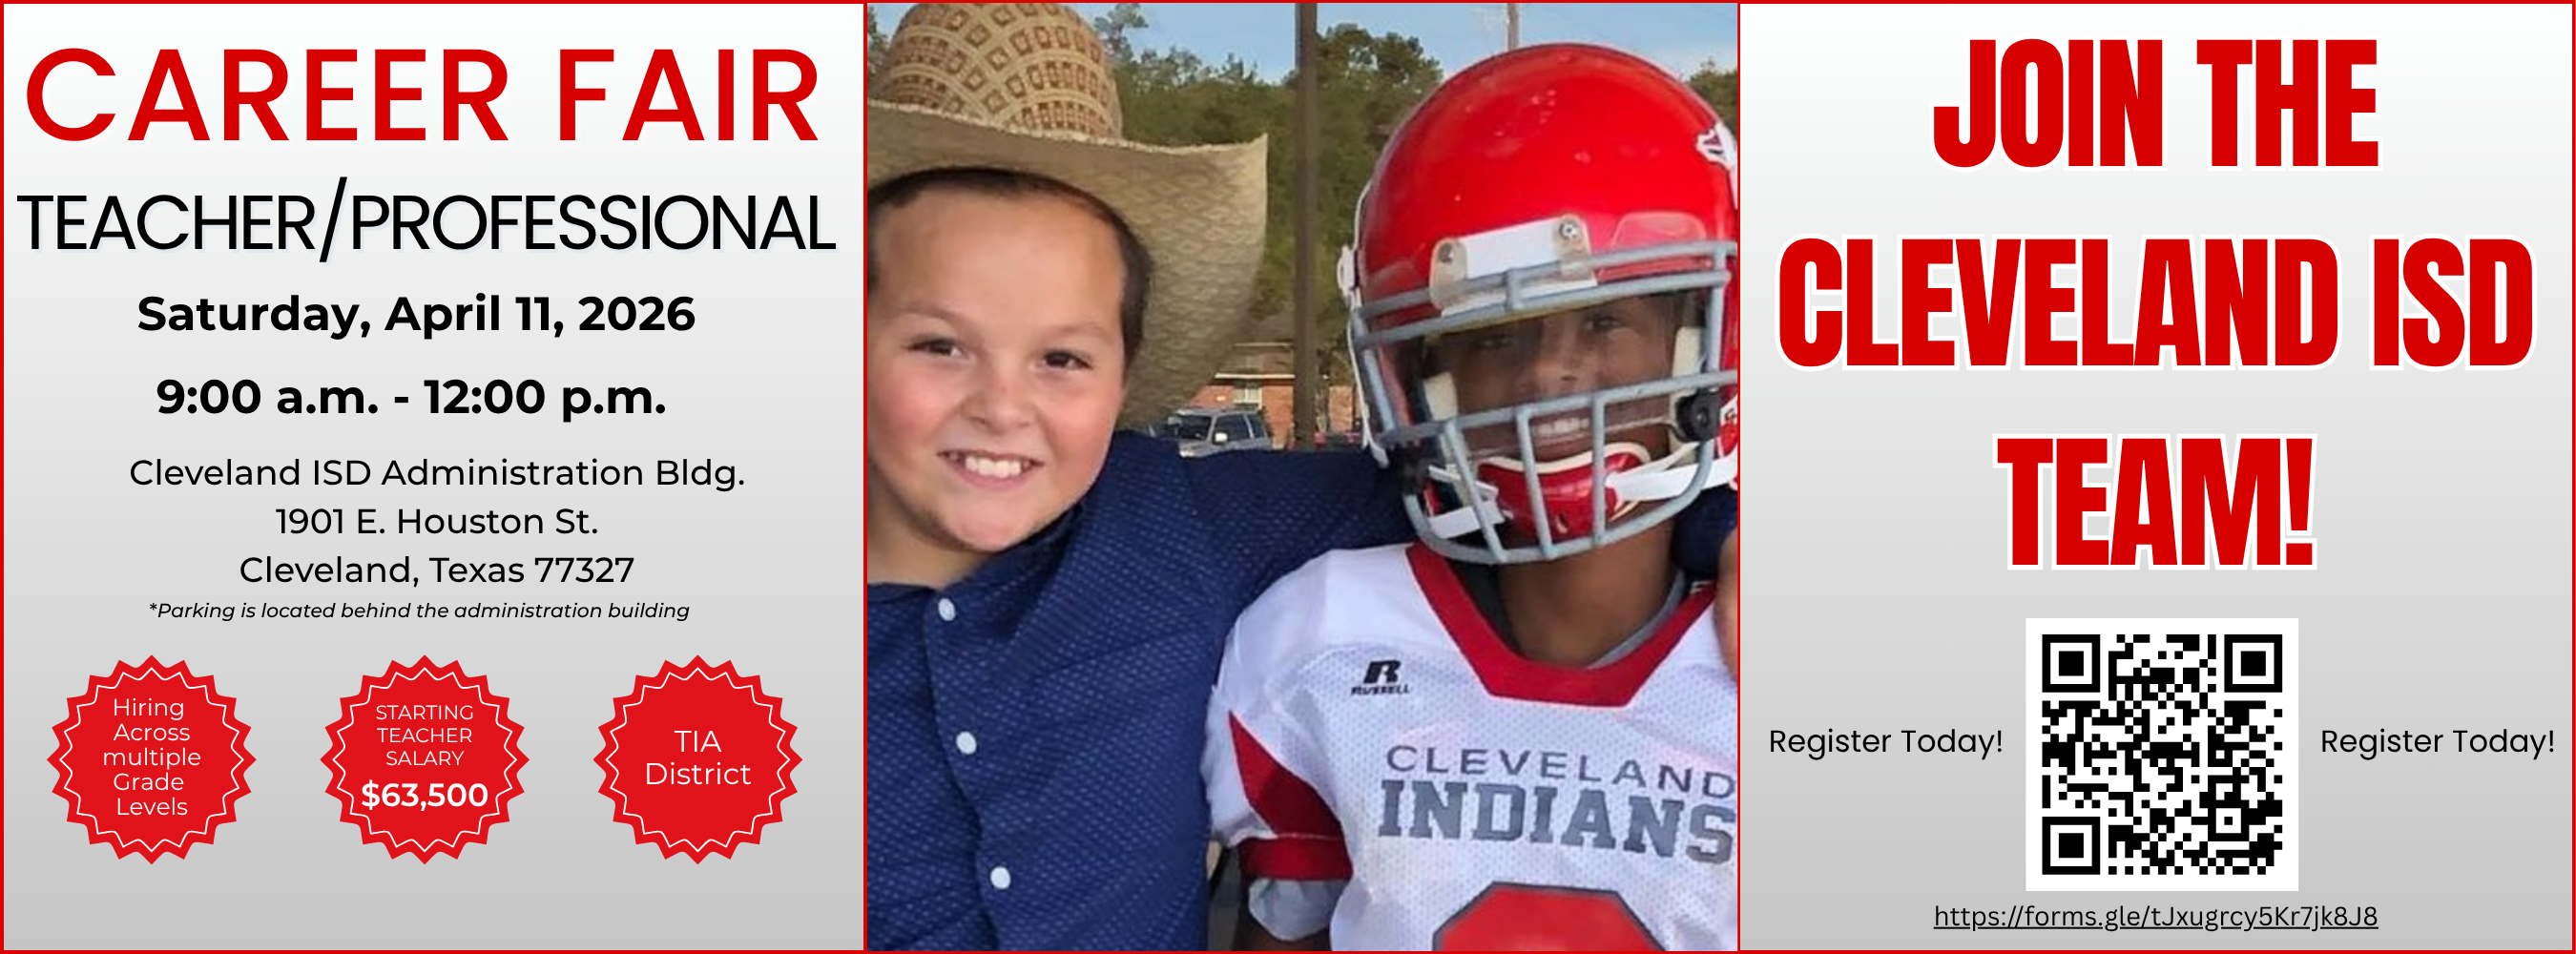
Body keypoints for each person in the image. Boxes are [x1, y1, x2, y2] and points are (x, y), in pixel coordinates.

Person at [864, 8, 1736, 949]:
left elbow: (1498, 465)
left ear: (1127, 365)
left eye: (1062, 358)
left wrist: (1722, 528)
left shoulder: (1182, 527)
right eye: (940, 344)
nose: (1002, 404)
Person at [1205, 44, 1742, 949]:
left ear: (1703, 339)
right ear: (1420, 370)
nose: (1550, 373)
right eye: (1492, 339)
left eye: (1606, 318)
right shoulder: (1321, 636)